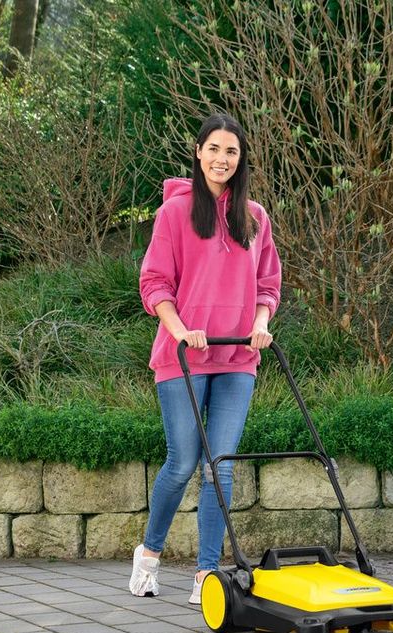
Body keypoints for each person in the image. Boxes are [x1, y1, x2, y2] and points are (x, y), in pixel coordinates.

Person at [130, 112, 282, 604]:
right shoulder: (174, 213)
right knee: (182, 463)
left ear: (241, 159)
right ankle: (149, 555)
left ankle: (206, 574)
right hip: (183, 357)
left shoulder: (254, 217)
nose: (222, 159)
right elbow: (155, 283)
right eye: (213, 149)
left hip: (237, 356)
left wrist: (260, 324)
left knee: (221, 465)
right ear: (198, 153)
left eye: (231, 151)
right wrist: (180, 331)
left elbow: (267, 284)